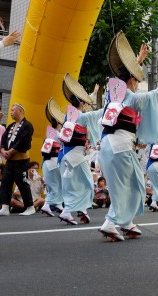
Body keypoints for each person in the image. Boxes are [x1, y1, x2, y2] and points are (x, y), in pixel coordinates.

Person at [98, 31, 158, 240]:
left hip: (107, 145)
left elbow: (127, 76)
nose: (138, 82)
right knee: (133, 184)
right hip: (120, 147)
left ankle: (125, 221)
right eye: (137, 78)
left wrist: (139, 59)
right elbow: (154, 94)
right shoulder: (133, 98)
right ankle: (111, 222)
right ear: (133, 80)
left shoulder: (113, 94)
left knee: (126, 185)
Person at [58, 74, 103, 225]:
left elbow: (82, 106)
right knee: (89, 183)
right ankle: (67, 211)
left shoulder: (67, 117)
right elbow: (97, 113)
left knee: (76, 184)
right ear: (81, 103)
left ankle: (82, 210)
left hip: (65, 155)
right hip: (76, 155)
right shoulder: (83, 118)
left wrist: (93, 94)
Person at [0, 103, 35, 216]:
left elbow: (23, 141)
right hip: (10, 160)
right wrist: (2, 150)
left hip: (21, 160)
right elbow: (3, 139)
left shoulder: (27, 125)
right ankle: (5, 207)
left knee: (22, 182)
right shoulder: (10, 126)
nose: (11, 112)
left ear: (20, 111)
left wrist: (11, 151)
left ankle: (30, 206)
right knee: (6, 182)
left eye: (13, 110)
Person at [40, 98, 64, 217]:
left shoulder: (49, 134)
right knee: (56, 186)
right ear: (59, 123)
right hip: (54, 162)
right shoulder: (58, 135)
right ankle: (46, 205)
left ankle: (58, 204)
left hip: (46, 162)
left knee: (55, 185)